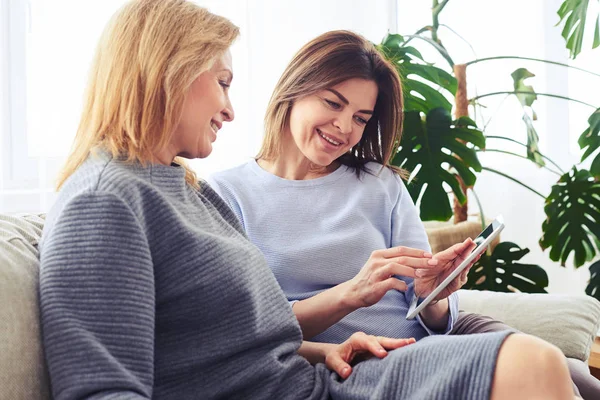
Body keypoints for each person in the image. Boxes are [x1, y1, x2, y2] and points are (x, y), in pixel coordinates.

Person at [39, 1, 577, 399]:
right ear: (168, 70)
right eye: (222, 82)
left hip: (333, 367)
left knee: (556, 368)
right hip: (311, 386)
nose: (229, 109)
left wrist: (332, 347)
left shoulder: (183, 189)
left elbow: (246, 336)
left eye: (360, 118)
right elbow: (106, 385)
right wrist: (344, 309)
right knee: (534, 365)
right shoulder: (106, 201)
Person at [208, 30, 591, 398]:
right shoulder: (227, 194)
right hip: (360, 358)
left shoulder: (380, 183)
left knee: (568, 370)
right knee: (541, 366)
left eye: (360, 118)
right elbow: (251, 330)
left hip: (439, 336)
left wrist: (433, 294)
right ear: (294, 89)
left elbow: (435, 315)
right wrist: (351, 294)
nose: (344, 127)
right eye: (333, 103)